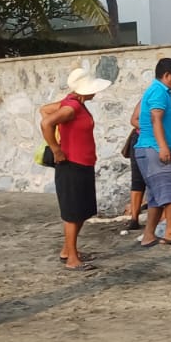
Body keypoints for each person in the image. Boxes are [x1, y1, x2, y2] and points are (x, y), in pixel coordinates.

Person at [41, 67, 112, 270]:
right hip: (72, 164)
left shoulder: (73, 104)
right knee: (73, 213)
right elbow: (46, 121)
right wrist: (56, 149)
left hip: (82, 163)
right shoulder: (72, 107)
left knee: (80, 211)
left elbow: (45, 110)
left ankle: (68, 250)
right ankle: (72, 258)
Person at [133, 58, 171, 247]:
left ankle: (149, 235)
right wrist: (163, 147)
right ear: (167, 76)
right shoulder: (158, 91)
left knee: (156, 196)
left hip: (150, 148)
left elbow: (169, 126)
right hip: (153, 149)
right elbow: (156, 120)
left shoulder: (161, 92)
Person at [123, 94, 171, 231]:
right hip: (144, 141)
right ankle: (134, 218)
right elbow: (134, 120)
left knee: (162, 182)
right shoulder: (149, 100)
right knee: (138, 179)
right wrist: (155, 130)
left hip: (166, 145)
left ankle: (161, 221)